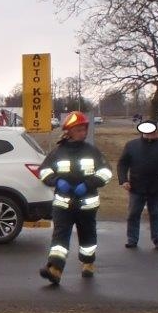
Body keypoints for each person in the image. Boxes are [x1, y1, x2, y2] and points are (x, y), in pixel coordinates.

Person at [38, 112, 113, 285]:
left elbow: (106, 172)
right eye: (78, 129)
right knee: (59, 238)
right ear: (69, 131)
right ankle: (55, 269)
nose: (83, 132)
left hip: (86, 204)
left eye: (84, 129)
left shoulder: (92, 151)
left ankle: (88, 263)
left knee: (87, 236)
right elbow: (44, 171)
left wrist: (89, 184)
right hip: (63, 203)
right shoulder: (57, 152)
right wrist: (56, 181)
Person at [118, 120, 158, 250]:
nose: (151, 134)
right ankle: (132, 239)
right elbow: (122, 164)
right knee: (133, 214)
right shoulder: (131, 146)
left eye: (154, 132)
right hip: (136, 187)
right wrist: (124, 180)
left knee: (157, 213)